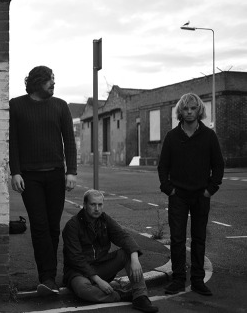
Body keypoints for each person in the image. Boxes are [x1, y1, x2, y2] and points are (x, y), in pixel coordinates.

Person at [9, 65, 77, 295]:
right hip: (30, 177)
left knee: (52, 227)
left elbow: (69, 140)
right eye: (49, 79)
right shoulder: (16, 105)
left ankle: (51, 277)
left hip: (56, 175)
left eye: (54, 80)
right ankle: (47, 278)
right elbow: (13, 142)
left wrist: (72, 172)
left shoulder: (60, 106)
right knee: (39, 226)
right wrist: (15, 171)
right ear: (37, 81)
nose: (53, 83)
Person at [158, 92, 224, 296]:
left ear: (199, 110)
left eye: (193, 108)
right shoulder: (172, 136)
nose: (189, 112)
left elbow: (218, 165)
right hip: (178, 195)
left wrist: (209, 189)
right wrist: (169, 189)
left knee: (199, 238)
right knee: (177, 239)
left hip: (200, 196)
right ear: (180, 111)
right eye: (185, 108)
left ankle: (197, 280)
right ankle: (178, 279)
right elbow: (163, 167)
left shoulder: (209, 136)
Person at [62, 190, 159, 313]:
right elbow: (76, 259)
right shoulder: (72, 225)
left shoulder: (104, 219)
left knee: (127, 253)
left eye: (100, 204)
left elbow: (124, 237)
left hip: (101, 265)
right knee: (83, 290)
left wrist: (134, 259)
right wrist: (99, 281)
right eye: (93, 204)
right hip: (78, 272)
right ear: (85, 205)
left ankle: (140, 297)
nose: (97, 208)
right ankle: (123, 295)